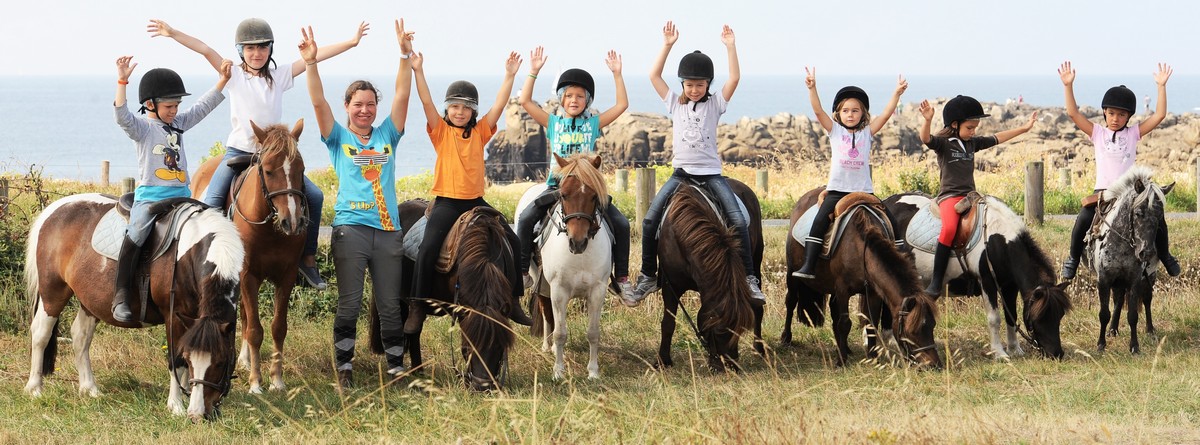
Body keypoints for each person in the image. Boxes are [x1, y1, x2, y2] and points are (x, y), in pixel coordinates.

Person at [148, 18, 370, 291]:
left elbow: (315, 58)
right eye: (250, 48)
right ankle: (210, 259)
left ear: (270, 50)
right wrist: (171, 33)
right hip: (238, 151)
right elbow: (205, 49)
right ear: (241, 51)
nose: (257, 53)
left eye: (262, 48)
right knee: (214, 199)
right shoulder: (235, 76)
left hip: (271, 156)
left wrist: (352, 41)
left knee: (314, 195)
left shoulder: (280, 76)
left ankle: (307, 259)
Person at [624, 21, 766, 307]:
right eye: (689, 85)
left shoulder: (716, 104)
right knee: (650, 220)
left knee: (739, 220)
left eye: (700, 85)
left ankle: (749, 278)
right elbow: (653, 75)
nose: (694, 89)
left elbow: (735, 78)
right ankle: (648, 276)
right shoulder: (675, 103)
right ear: (683, 86)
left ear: (708, 85)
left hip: (712, 175)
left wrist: (730, 47)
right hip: (682, 175)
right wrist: (667, 45)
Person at [303, 21, 413, 385]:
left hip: (388, 231)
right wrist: (312, 63)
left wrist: (404, 55)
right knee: (349, 303)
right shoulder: (337, 137)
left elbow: (402, 96)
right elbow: (318, 101)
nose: (364, 110)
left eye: (370, 104)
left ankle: (396, 368)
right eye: (357, 104)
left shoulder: (388, 135)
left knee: (390, 305)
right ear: (347, 106)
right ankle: (344, 368)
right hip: (350, 229)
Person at [405, 48, 535, 331]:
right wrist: (418, 70)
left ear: (474, 111)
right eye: (454, 106)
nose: (460, 112)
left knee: (512, 240)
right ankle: (417, 306)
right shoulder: (439, 130)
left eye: (466, 107)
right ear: (447, 110)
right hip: (447, 203)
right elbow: (425, 101)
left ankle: (514, 300)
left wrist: (509, 75)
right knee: (427, 248)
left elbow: (500, 106)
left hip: (475, 201)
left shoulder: (480, 132)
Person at [111, 56, 231, 322]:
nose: (174, 111)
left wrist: (223, 80)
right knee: (138, 230)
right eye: (169, 106)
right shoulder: (143, 129)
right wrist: (122, 81)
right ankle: (120, 295)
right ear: (150, 104)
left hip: (182, 199)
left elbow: (202, 107)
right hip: (151, 200)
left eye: (177, 105)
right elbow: (122, 116)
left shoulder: (177, 125)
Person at [514, 46, 631, 297]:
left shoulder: (593, 123)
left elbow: (622, 104)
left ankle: (621, 278)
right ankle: (522, 272)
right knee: (524, 220)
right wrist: (533, 72)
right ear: (562, 99)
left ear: (587, 100)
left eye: (579, 96)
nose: (574, 100)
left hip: (586, 189)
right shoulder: (553, 123)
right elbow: (524, 101)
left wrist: (617, 74)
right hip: (557, 186)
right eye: (568, 96)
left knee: (621, 224)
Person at [1057, 61, 1179, 279]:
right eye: (1111, 113)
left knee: (1156, 219)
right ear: (1104, 112)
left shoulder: (1134, 134)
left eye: (1121, 115)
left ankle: (1166, 256)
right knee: (1083, 218)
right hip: (1103, 192)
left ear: (1128, 117)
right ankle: (1073, 259)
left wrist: (1161, 86)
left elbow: (1159, 115)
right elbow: (1073, 113)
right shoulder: (1097, 133)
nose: (1115, 119)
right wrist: (1068, 86)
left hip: (1130, 192)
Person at [793, 68, 907, 279]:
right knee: (819, 222)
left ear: (863, 113)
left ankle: (903, 263)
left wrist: (897, 94)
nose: (850, 114)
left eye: (855, 110)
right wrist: (812, 88)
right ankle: (808, 265)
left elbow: (886, 114)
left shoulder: (867, 133)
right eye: (845, 110)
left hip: (864, 191)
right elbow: (818, 112)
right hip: (838, 190)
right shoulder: (835, 131)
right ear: (838, 113)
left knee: (892, 222)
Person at [918, 95, 1037, 296]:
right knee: (948, 229)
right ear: (955, 125)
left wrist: (1024, 129)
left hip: (972, 196)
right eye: (970, 128)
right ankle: (936, 282)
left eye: (975, 128)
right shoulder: (944, 143)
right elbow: (925, 139)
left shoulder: (972, 143)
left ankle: (979, 272)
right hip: (950, 197)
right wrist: (928, 120)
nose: (974, 132)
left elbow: (998, 137)